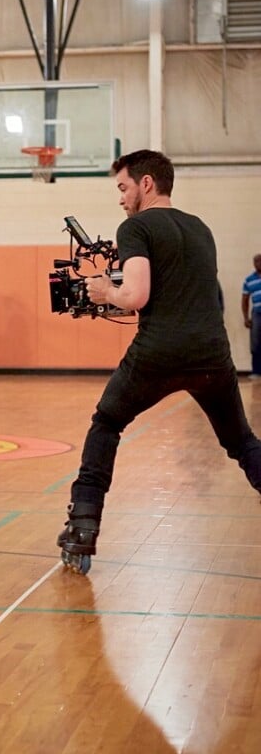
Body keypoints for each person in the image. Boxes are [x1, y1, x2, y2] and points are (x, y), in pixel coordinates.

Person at [57, 150, 261, 574]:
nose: (121, 198)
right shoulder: (201, 228)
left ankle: (81, 529)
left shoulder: (136, 226)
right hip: (212, 354)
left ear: (146, 184)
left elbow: (135, 297)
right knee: (241, 443)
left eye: (123, 187)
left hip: (160, 353)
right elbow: (177, 284)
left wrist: (103, 292)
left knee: (106, 424)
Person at [241, 253, 261, 378]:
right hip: (257, 314)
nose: (258, 263)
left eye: (260, 260)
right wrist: (246, 317)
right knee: (256, 342)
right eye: (256, 261)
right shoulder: (249, 280)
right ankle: (256, 371)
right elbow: (244, 299)